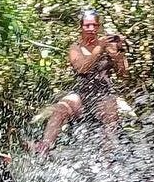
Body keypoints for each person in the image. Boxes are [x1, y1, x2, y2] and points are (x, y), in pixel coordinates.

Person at [30, 10, 128, 155]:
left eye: (94, 25)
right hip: (81, 95)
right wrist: (99, 48)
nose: (91, 29)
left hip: (104, 95)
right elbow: (82, 68)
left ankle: (108, 156)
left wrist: (116, 54)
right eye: (87, 25)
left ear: (99, 27)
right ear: (81, 27)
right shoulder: (76, 48)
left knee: (110, 111)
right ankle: (44, 146)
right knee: (61, 108)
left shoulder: (108, 47)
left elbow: (122, 73)